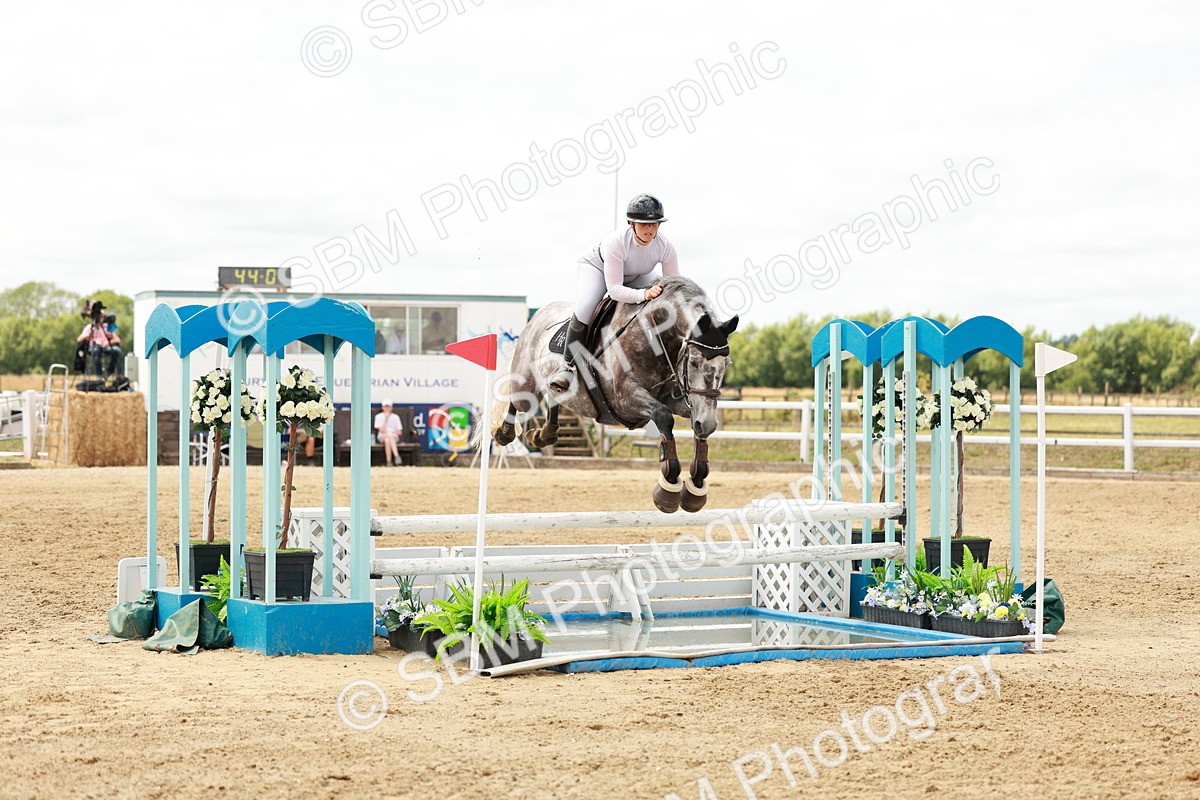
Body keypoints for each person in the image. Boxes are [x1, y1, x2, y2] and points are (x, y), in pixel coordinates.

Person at [548, 193, 678, 392]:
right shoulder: (616, 242)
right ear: (631, 223)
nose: (650, 229)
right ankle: (567, 366)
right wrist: (643, 295)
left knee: (662, 297)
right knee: (586, 307)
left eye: (654, 224)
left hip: (636, 275)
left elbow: (673, 285)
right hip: (597, 268)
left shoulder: (666, 246)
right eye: (644, 224)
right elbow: (615, 290)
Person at [374, 400, 403, 466]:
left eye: (388, 407)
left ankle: (389, 462)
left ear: (391, 407)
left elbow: (399, 432)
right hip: (382, 436)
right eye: (385, 407)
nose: (387, 408)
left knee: (387, 441)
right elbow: (382, 430)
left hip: (393, 437)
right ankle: (397, 456)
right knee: (388, 436)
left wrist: (393, 432)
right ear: (382, 407)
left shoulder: (396, 417)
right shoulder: (378, 417)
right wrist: (386, 419)